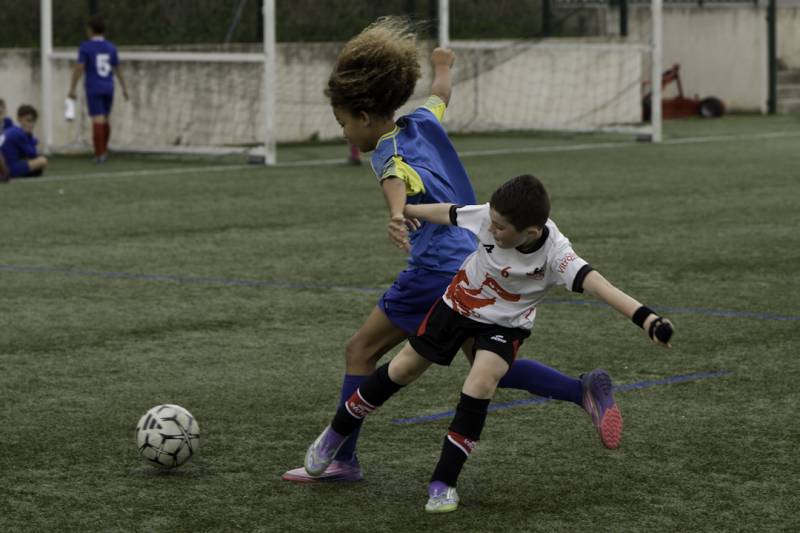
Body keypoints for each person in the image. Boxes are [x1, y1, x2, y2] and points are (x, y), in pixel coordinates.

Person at [282, 17, 603, 484]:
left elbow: (396, 177)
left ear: (365, 117)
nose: (344, 132)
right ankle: (582, 391)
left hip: (434, 271)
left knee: (361, 350)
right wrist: (443, 66)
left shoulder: (385, 150)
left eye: (343, 122)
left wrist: (397, 213)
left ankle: (342, 459)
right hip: (476, 263)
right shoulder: (422, 120)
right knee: (490, 365)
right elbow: (440, 96)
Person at [304, 174, 675, 512]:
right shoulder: (489, 216)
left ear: (530, 232)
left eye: (500, 228)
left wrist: (648, 320)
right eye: (491, 222)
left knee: (480, 382)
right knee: (402, 369)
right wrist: (406, 212)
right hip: (456, 305)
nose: (491, 229)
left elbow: (600, 285)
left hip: (505, 325)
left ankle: (443, 483)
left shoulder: (557, 255)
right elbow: (450, 213)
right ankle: (335, 434)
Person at [67, 14, 129, 164]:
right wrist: (124, 88)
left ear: (90, 30)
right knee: (105, 118)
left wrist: (72, 87)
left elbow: (80, 67)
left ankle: (99, 153)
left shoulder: (85, 47)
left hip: (94, 87)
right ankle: (104, 150)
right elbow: (118, 68)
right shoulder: (111, 47)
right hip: (109, 87)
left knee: (97, 119)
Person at [0, 105, 48, 179]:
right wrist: (31, 138)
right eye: (28, 120)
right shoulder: (19, 133)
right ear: (19, 119)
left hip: (4, 166)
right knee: (42, 160)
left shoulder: (12, 130)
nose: (31, 125)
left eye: (33, 121)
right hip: (9, 168)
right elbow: (33, 154)